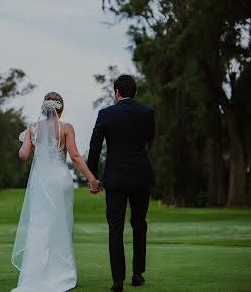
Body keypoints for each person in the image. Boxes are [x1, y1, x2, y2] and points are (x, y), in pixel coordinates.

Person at [11, 92, 101, 292]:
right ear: (61, 109)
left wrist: (31, 142)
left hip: (39, 181)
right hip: (59, 180)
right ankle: (61, 273)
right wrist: (92, 179)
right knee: (60, 224)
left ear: (44, 108)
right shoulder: (66, 128)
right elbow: (75, 156)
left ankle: (35, 274)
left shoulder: (33, 128)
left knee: (39, 225)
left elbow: (23, 154)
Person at [87, 74, 155, 292]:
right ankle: (137, 273)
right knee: (139, 223)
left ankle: (117, 280)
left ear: (116, 92)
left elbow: (95, 146)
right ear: (135, 93)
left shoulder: (105, 114)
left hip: (115, 178)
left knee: (115, 228)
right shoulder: (147, 113)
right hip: (140, 177)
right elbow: (150, 140)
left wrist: (92, 177)